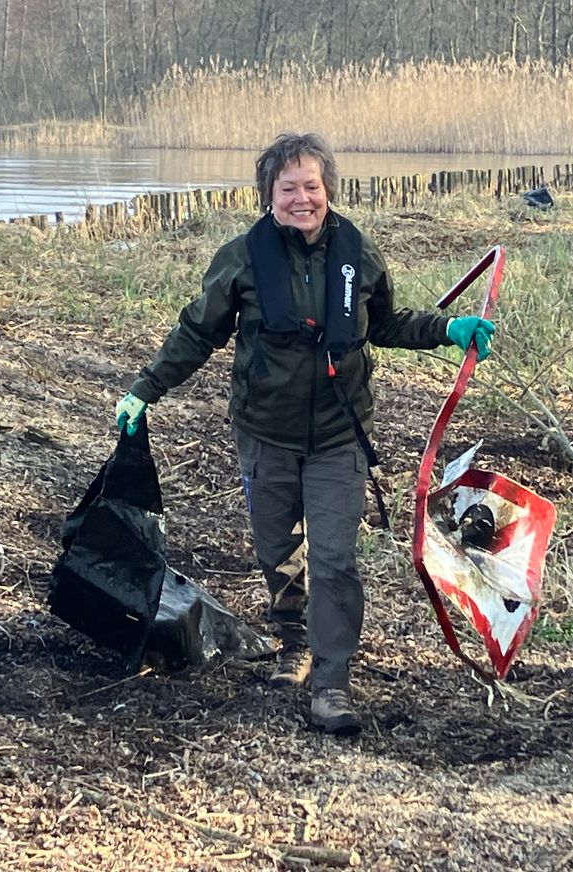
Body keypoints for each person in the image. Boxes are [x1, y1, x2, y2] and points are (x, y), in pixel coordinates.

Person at [112, 132, 496, 736]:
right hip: (265, 435)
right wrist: (144, 389)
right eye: (287, 188)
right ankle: (292, 642)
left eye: (310, 186)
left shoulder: (358, 253)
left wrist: (449, 328)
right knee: (277, 551)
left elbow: (387, 324)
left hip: (339, 437)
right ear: (268, 195)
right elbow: (195, 334)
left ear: (328, 190)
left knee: (336, 560)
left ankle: (331, 683)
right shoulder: (241, 258)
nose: (300, 198)